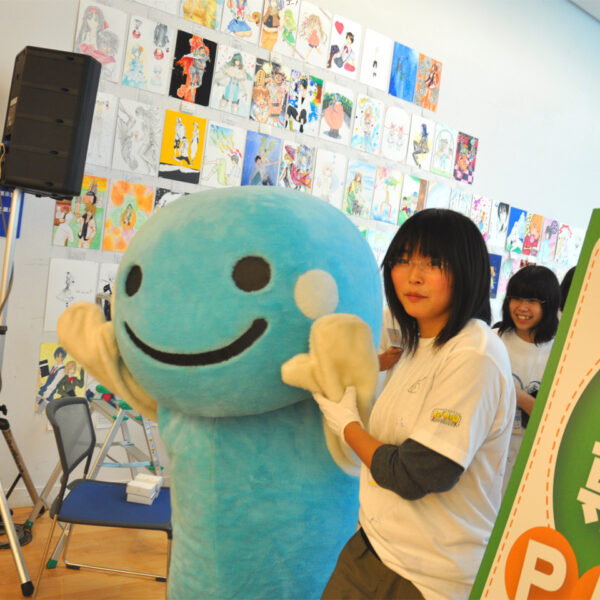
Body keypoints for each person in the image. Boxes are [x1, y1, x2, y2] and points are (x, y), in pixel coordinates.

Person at [312, 208, 515, 599]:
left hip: (427, 576)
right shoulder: (418, 342)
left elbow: (415, 474)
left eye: (434, 263)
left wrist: (346, 424)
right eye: (403, 260)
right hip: (372, 546)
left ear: (467, 272)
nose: (413, 276)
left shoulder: (475, 354)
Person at [495, 265, 560, 494]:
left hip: (530, 463)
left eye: (532, 300)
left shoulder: (559, 355)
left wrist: (521, 399)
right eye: (516, 298)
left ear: (549, 305)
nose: (522, 308)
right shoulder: (493, 341)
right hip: (487, 454)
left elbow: (557, 421)